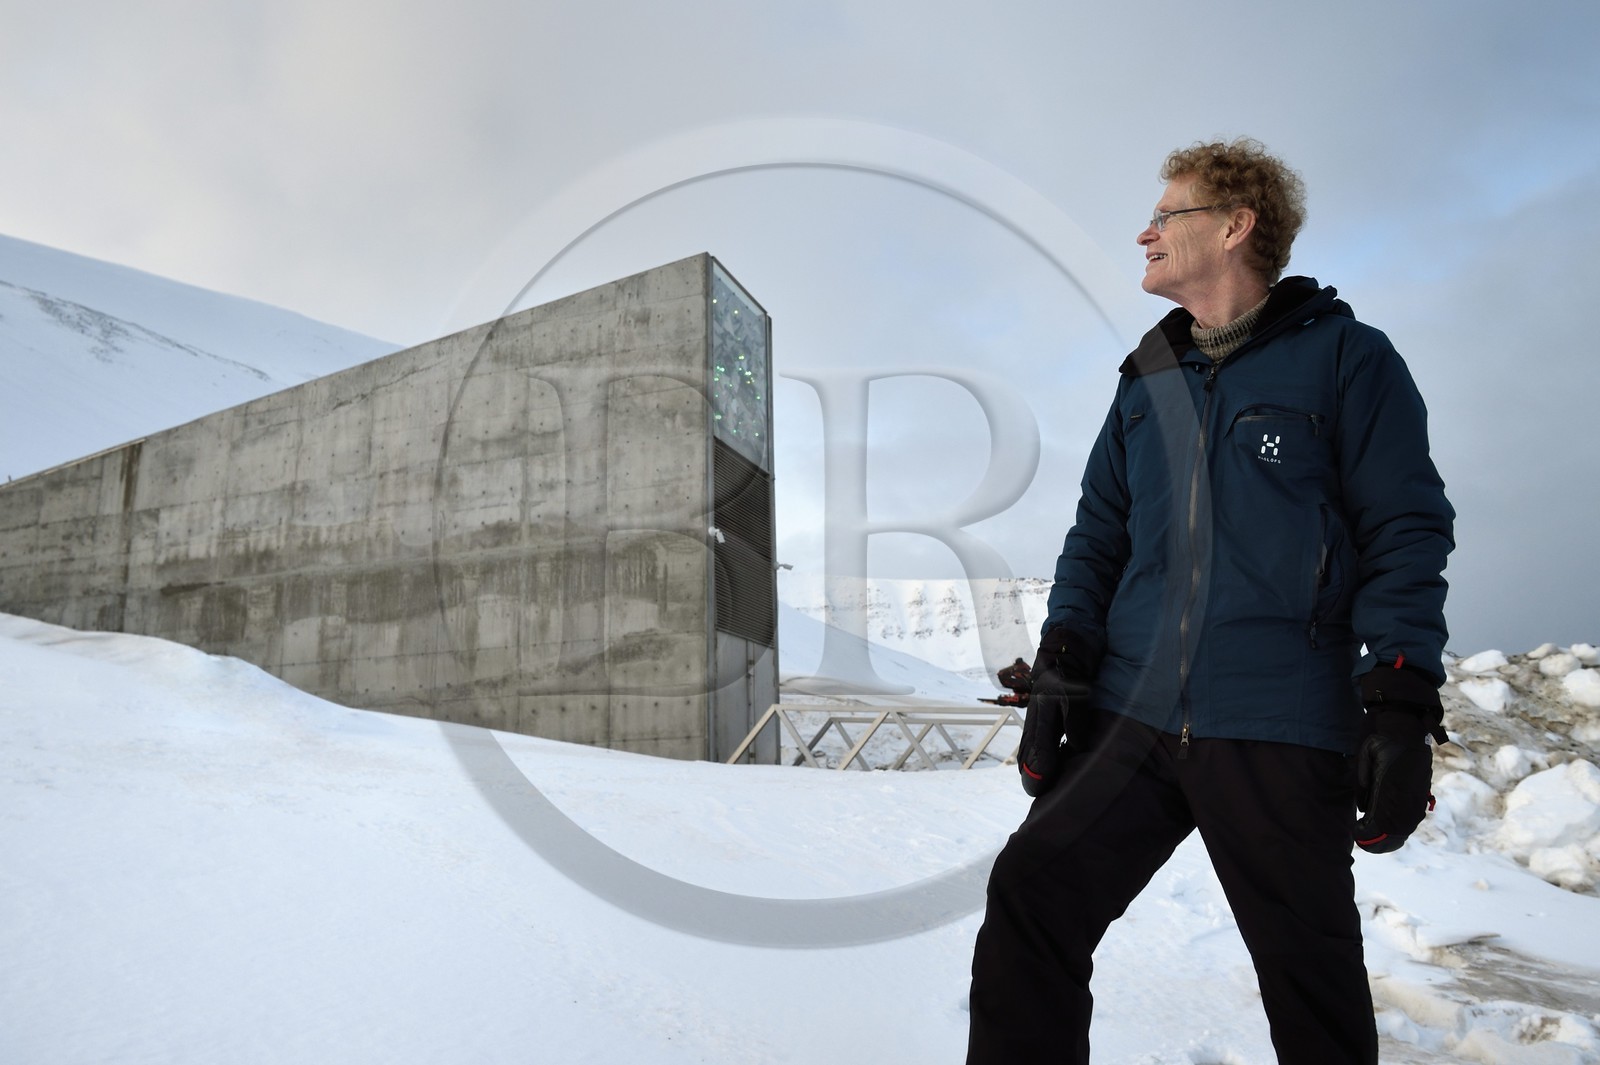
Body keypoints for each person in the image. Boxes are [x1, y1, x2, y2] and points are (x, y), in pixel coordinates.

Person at [967, 139, 1454, 1065]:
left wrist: (1398, 695)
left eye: (1169, 212)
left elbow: (1405, 529)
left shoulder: (1350, 361)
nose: (1144, 230)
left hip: (1277, 715)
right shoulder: (1145, 379)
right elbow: (1098, 534)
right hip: (1132, 714)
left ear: (1234, 227)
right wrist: (1067, 654)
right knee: (1031, 896)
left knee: (1309, 983)